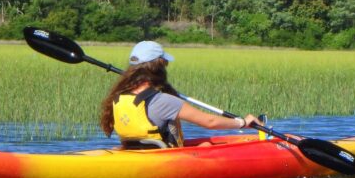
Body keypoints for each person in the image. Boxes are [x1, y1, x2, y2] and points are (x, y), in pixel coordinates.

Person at [100, 41, 261, 149]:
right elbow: (210, 122)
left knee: (204, 144)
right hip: (160, 158)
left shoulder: (119, 97)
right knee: (206, 146)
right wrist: (242, 122)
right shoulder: (164, 101)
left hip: (132, 152)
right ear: (160, 66)